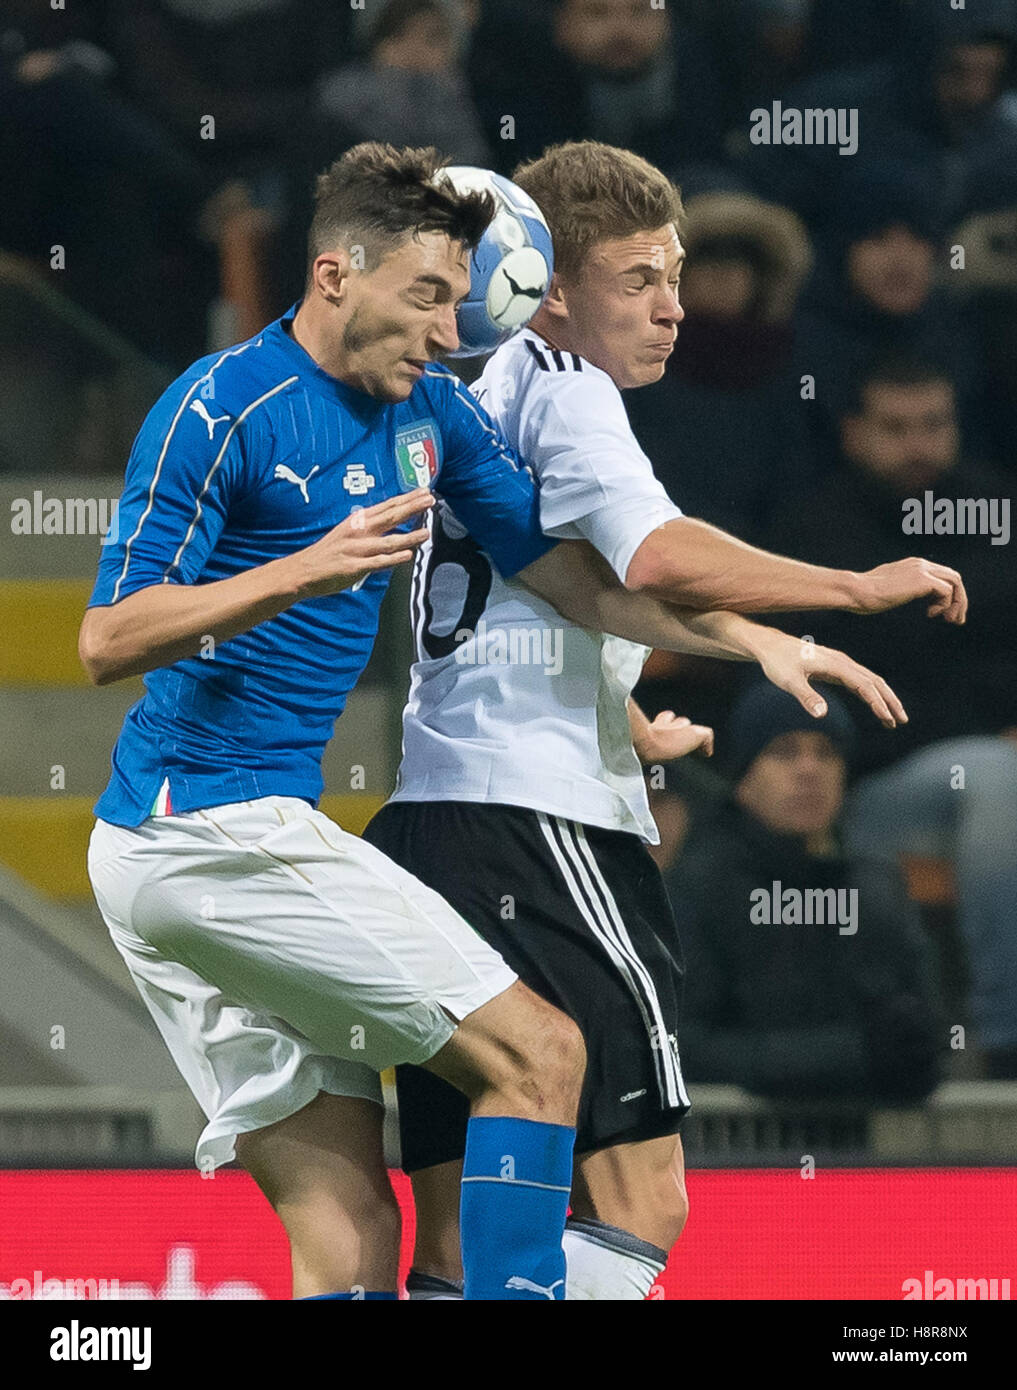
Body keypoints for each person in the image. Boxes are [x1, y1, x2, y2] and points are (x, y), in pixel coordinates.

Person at [79, 142, 751, 1301]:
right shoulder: (221, 407)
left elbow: (567, 578)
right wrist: (296, 573)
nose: (451, 333)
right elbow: (108, 639)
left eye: (462, 298)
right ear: (337, 274)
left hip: (173, 845)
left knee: (348, 1235)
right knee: (543, 1053)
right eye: (429, 297)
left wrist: (763, 633)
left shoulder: (431, 411)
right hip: (208, 830)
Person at [363, 140, 969, 1301]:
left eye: (677, 274)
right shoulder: (569, 386)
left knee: (448, 1237)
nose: (674, 307)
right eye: (639, 279)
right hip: (542, 831)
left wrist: (635, 721)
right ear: (550, 284)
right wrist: (853, 583)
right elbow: (658, 550)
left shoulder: (475, 387)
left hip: (435, 827)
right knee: (645, 1199)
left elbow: (548, 593)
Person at [766, 353, 1017, 1076]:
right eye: (896, 427)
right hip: (871, 786)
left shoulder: (995, 511)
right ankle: (1006, 1042)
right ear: (853, 432)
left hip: (989, 770)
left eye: (934, 425)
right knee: (995, 778)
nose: (918, 444)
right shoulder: (815, 535)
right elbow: (839, 704)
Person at [665, 680, 943, 1105]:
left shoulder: (876, 884)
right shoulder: (699, 884)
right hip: (728, 1156)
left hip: (858, 1162)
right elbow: (679, 1048)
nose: (809, 769)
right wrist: (852, 1054)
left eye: (827, 753)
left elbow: (924, 1046)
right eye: (784, 752)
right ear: (742, 778)